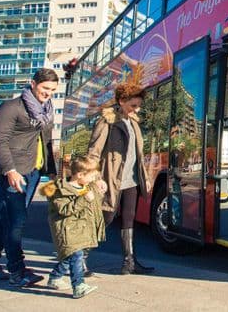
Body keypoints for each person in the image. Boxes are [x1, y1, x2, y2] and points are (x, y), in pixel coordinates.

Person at [0, 68, 58, 286]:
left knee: (9, 220)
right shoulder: (11, 108)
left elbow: (48, 143)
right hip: (13, 172)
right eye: (45, 88)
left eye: (52, 90)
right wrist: (10, 170)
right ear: (32, 84)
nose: (48, 93)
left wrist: (52, 172)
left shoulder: (46, 111)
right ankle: (17, 271)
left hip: (34, 171)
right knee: (16, 222)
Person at [88, 82, 154, 275]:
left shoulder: (133, 122)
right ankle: (79, 259)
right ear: (121, 101)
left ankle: (129, 262)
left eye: (139, 105)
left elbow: (138, 154)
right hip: (111, 180)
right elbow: (94, 152)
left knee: (129, 219)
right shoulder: (107, 120)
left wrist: (145, 177)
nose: (137, 109)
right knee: (105, 219)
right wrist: (95, 177)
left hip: (131, 180)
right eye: (134, 105)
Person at [42, 155, 106, 299]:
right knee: (76, 255)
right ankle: (78, 285)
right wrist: (83, 199)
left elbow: (94, 204)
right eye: (91, 176)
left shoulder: (87, 186)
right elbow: (65, 210)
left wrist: (100, 191)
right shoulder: (60, 190)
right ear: (80, 175)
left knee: (69, 256)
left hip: (83, 229)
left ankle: (55, 277)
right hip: (68, 230)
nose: (93, 179)